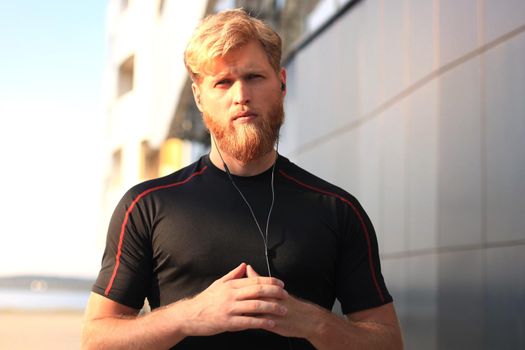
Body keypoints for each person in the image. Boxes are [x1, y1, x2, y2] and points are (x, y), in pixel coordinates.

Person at [81, 8, 403, 350]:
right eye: (223, 82)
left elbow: (388, 343)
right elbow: (97, 339)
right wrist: (189, 315)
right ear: (199, 96)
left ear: (281, 83)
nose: (241, 96)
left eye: (254, 77)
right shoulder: (147, 205)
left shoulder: (338, 210)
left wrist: (312, 322)